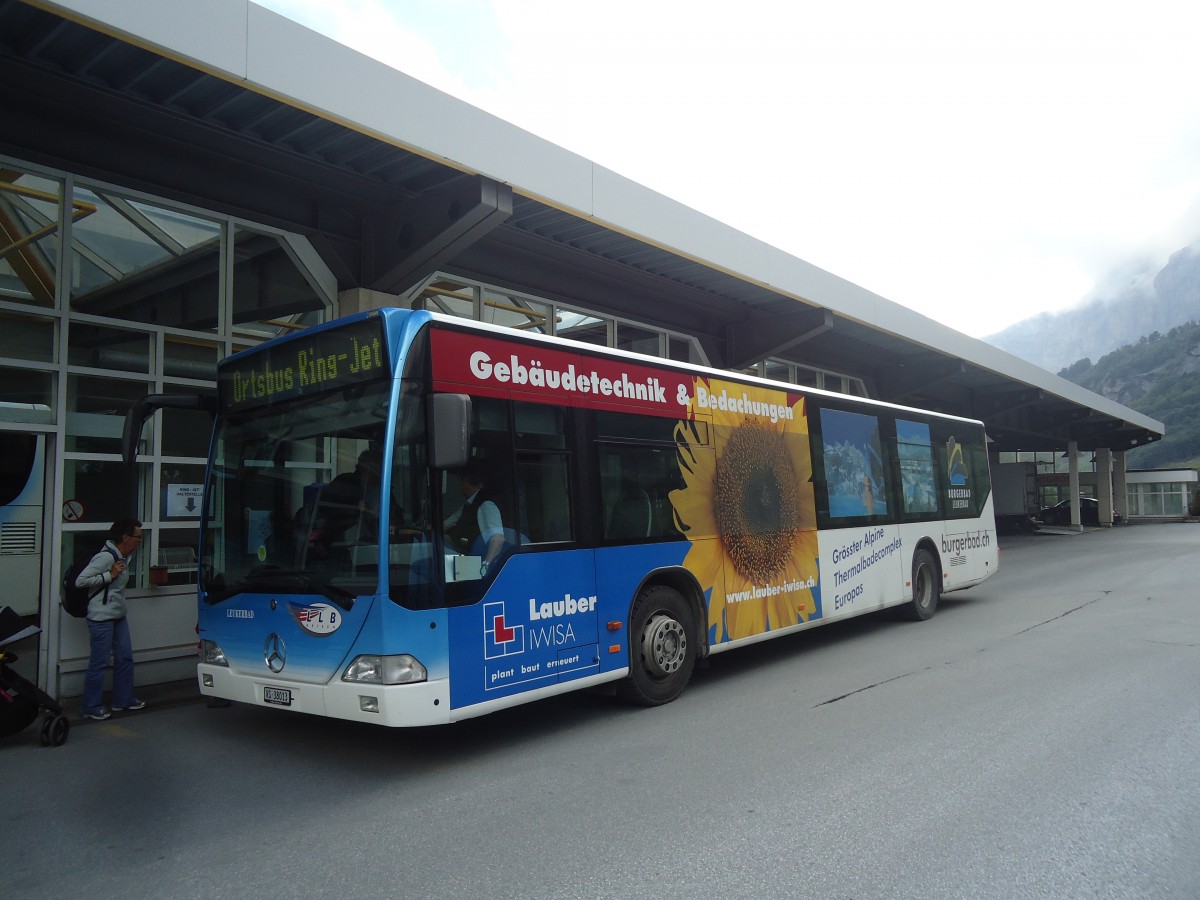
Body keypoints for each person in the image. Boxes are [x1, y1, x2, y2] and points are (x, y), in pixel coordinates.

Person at [76, 518, 146, 721]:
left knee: (125, 657)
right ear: (125, 537)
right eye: (138, 537)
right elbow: (81, 581)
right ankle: (91, 706)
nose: (140, 541)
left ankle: (123, 700)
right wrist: (110, 575)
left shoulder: (125, 557)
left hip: (118, 615)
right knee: (99, 662)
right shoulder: (106, 557)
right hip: (101, 618)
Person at [443, 459, 506, 567]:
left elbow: (498, 539)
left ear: (465, 481)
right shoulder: (470, 503)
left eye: (461, 480)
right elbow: (446, 524)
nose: (459, 484)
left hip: (472, 561)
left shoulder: (486, 505)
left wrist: (486, 565)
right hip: (460, 553)